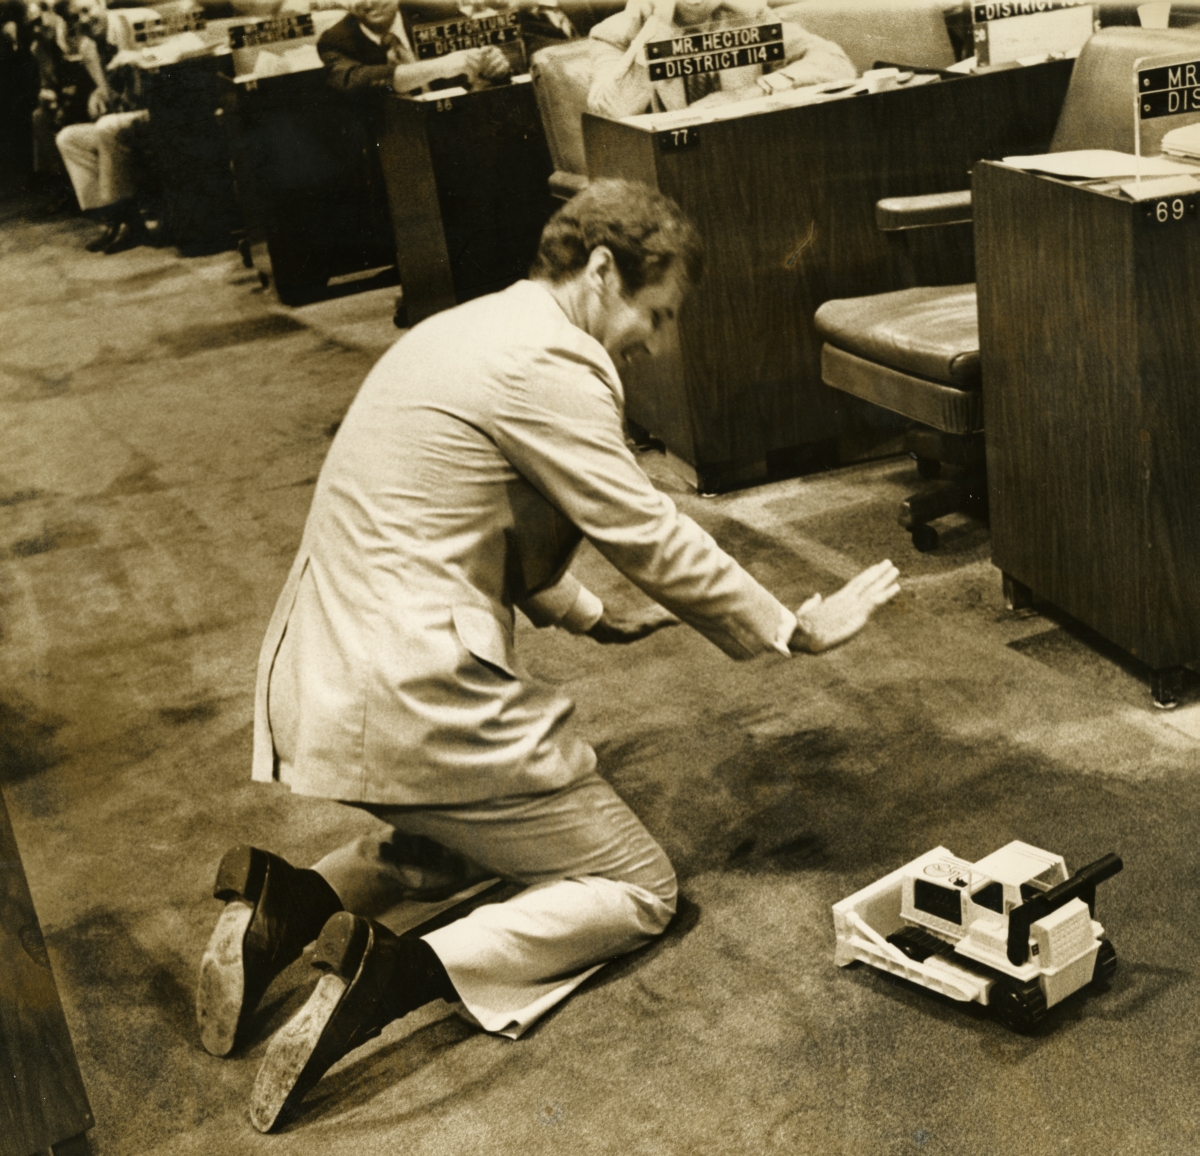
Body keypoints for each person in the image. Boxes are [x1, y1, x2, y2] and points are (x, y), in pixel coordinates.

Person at [195, 178, 900, 1133]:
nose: (653, 339)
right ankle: (390, 973)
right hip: (413, 690)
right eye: (654, 312)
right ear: (603, 270)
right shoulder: (548, 362)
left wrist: (589, 617)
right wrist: (790, 628)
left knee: (458, 845)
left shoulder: (465, 331)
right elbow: (644, 526)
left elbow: (478, 516)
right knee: (634, 887)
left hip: (318, 672)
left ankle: (283, 904)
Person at [587, 0, 854, 118]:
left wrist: (757, 90)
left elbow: (836, 64)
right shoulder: (615, 34)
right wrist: (657, 27)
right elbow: (614, 107)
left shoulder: (749, 19)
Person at [53, 0, 151, 252]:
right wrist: (98, 94)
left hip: (154, 112)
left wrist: (138, 64)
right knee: (68, 138)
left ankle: (129, 221)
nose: (83, 20)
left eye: (87, 10)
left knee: (106, 127)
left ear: (102, 4)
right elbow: (109, 89)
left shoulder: (134, 23)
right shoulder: (88, 47)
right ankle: (112, 218)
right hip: (125, 118)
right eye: (75, 17)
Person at [317, 0, 512, 96]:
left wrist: (494, 64)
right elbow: (357, 79)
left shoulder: (437, 11)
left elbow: (488, 56)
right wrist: (440, 66)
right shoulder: (335, 41)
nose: (369, 3)